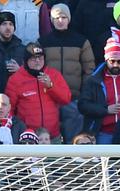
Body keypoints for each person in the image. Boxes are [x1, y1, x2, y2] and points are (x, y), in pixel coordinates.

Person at [40, 3, 94, 141]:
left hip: (73, 97)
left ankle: (74, 161)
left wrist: (84, 93)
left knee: (73, 136)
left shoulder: (81, 41)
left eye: (64, 17)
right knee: (51, 136)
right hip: (50, 97)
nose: (60, 20)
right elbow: (38, 68)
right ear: (52, 20)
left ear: (69, 19)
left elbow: (89, 69)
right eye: (57, 17)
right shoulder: (43, 41)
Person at [77, 38, 120, 143]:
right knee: (104, 160)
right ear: (106, 60)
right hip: (103, 131)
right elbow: (83, 105)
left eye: (119, 61)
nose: (116, 65)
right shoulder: (94, 79)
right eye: (112, 61)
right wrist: (106, 110)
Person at [5, 42, 71, 140]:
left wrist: (51, 86)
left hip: (52, 136)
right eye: (33, 58)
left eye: (40, 58)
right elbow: (9, 110)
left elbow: (66, 99)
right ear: (26, 61)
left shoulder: (54, 74)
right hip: (28, 137)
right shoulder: (15, 79)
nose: (37, 61)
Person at [0, 10, 29, 90]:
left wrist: (19, 70)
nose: (8, 28)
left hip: (16, 93)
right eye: (4, 24)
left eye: (11, 24)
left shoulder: (22, 49)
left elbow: (30, 76)